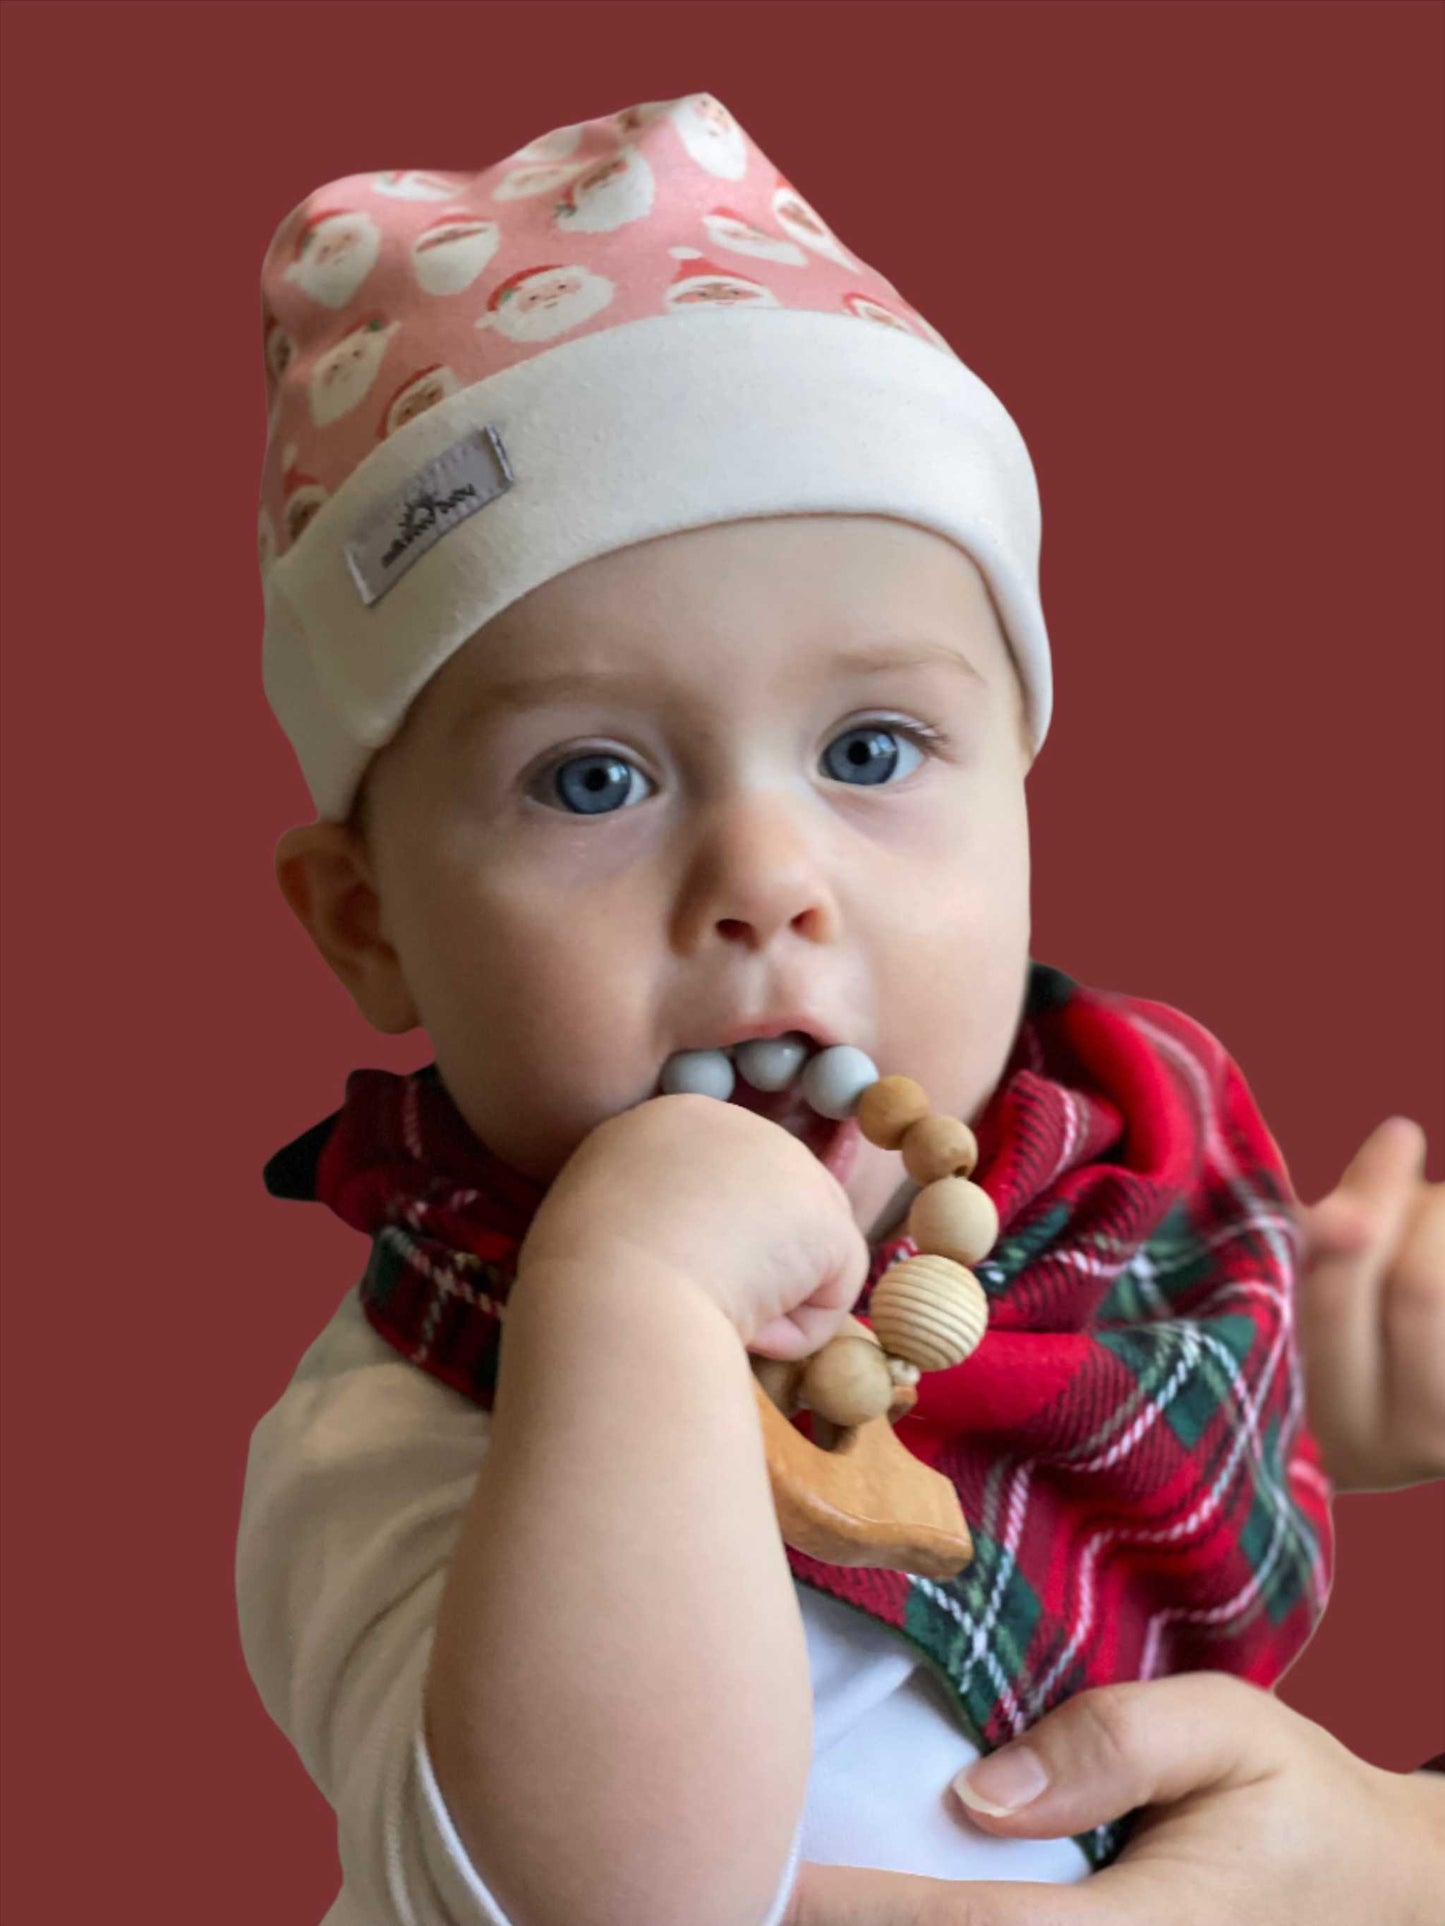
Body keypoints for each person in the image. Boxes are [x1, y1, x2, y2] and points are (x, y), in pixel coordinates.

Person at [235, 90, 1415, 1925]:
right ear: (373, 923)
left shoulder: (1122, 1196)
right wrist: (624, 1306)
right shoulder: (411, 1416)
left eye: (870, 747)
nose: (763, 875)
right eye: (594, 781)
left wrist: (1337, 1393)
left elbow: (1180, 1431)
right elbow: (584, 1898)